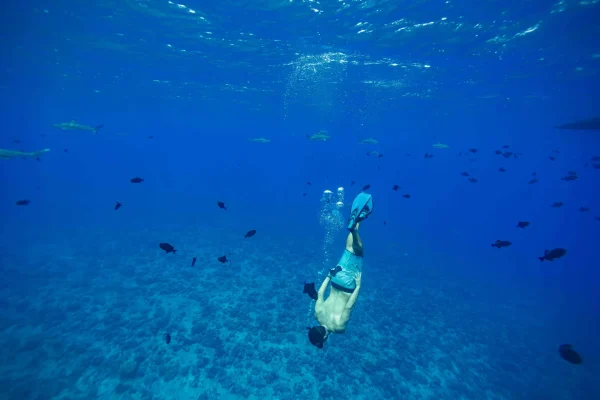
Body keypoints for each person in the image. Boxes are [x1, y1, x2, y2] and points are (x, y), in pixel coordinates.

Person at [308, 193, 373, 349]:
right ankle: (356, 223)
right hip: (335, 279)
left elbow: (349, 306)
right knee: (349, 248)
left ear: (324, 337)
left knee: (359, 251)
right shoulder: (317, 314)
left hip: (348, 286)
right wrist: (329, 276)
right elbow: (320, 293)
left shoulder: (339, 328)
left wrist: (358, 286)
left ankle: (355, 229)